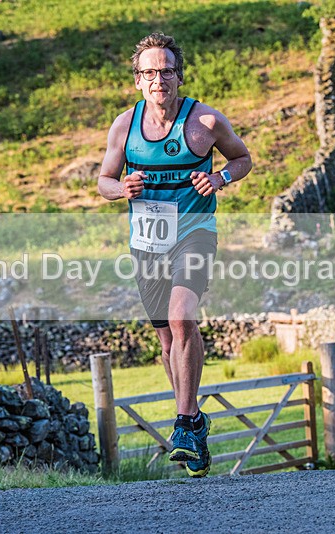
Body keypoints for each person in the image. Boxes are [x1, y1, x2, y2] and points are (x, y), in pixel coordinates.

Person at [97, 33, 252, 478]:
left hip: (194, 233)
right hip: (147, 242)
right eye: (149, 72)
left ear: (178, 76)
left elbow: (242, 158)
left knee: (183, 317)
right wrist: (120, 188)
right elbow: (104, 181)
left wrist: (220, 178)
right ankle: (195, 421)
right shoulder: (124, 126)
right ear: (138, 80)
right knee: (166, 340)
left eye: (166, 70)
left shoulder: (204, 119)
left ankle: (183, 423)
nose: (158, 79)